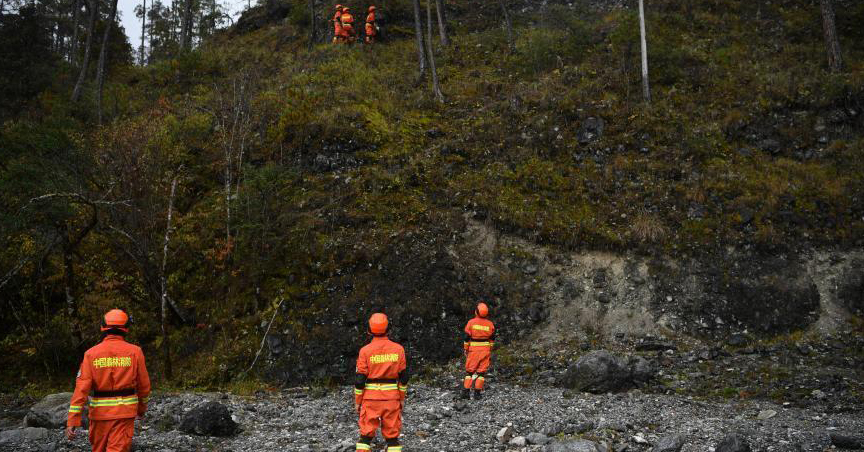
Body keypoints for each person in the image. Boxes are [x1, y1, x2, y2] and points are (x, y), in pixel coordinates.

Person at [66, 309, 151, 452]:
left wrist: (73, 420)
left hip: (99, 415)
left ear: (103, 328)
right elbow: (145, 386)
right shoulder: (135, 352)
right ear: (126, 329)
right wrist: (141, 410)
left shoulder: (90, 354)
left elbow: (81, 390)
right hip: (124, 413)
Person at [354, 313, 408, 452]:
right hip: (391, 398)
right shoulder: (398, 349)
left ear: (369, 330)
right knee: (392, 439)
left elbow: (360, 381)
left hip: (370, 398)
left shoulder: (365, 351)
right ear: (388, 329)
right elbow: (403, 378)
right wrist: (401, 399)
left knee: (365, 438)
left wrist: (358, 401)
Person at [461, 302, 495, 400]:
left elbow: (467, 337)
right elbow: (492, 338)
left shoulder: (471, 322)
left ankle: (466, 393)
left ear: (476, 312)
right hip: (485, 349)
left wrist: (465, 348)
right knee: (481, 373)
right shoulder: (490, 324)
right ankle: (477, 394)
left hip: (474, 349)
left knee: (470, 372)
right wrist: (490, 348)